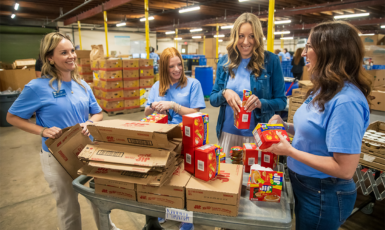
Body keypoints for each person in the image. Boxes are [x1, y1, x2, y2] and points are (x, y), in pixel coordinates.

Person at [264, 21, 372, 230]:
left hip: (323, 193)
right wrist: (285, 126)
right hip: (306, 185)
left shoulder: (346, 102)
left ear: (329, 52)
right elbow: (316, 132)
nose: (304, 53)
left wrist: (290, 152)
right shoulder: (324, 89)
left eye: (309, 47)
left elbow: (344, 169)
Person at [6, 32, 119, 230]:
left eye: (72, 51)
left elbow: (98, 113)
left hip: (87, 151)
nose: (71, 56)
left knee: (99, 199)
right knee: (68, 206)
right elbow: (12, 117)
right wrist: (42, 131)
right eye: (64, 52)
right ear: (50, 58)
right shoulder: (36, 87)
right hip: (57, 156)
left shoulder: (82, 85)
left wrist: (89, 122)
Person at [210, 12, 287, 157]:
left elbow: (282, 102)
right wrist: (224, 93)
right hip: (227, 133)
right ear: (235, 37)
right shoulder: (225, 62)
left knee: (255, 177)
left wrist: (260, 103)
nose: (246, 42)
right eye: (241, 36)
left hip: (257, 136)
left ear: (257, 37)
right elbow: (213, 99)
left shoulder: (271, 61)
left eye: (251, 36)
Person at [145, 47, 205, 230]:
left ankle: (187, 217)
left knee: (186, 178)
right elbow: (146, 112)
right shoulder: (157, 87)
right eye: (172, 66)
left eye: (179, 64)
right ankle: (163, 209)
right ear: (164, 68)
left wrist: (173, 106)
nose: (177, 69)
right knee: (165, 177)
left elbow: (196, 112)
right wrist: (154, 106)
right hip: (164, 139)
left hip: (187, 138)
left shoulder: (193, 84)